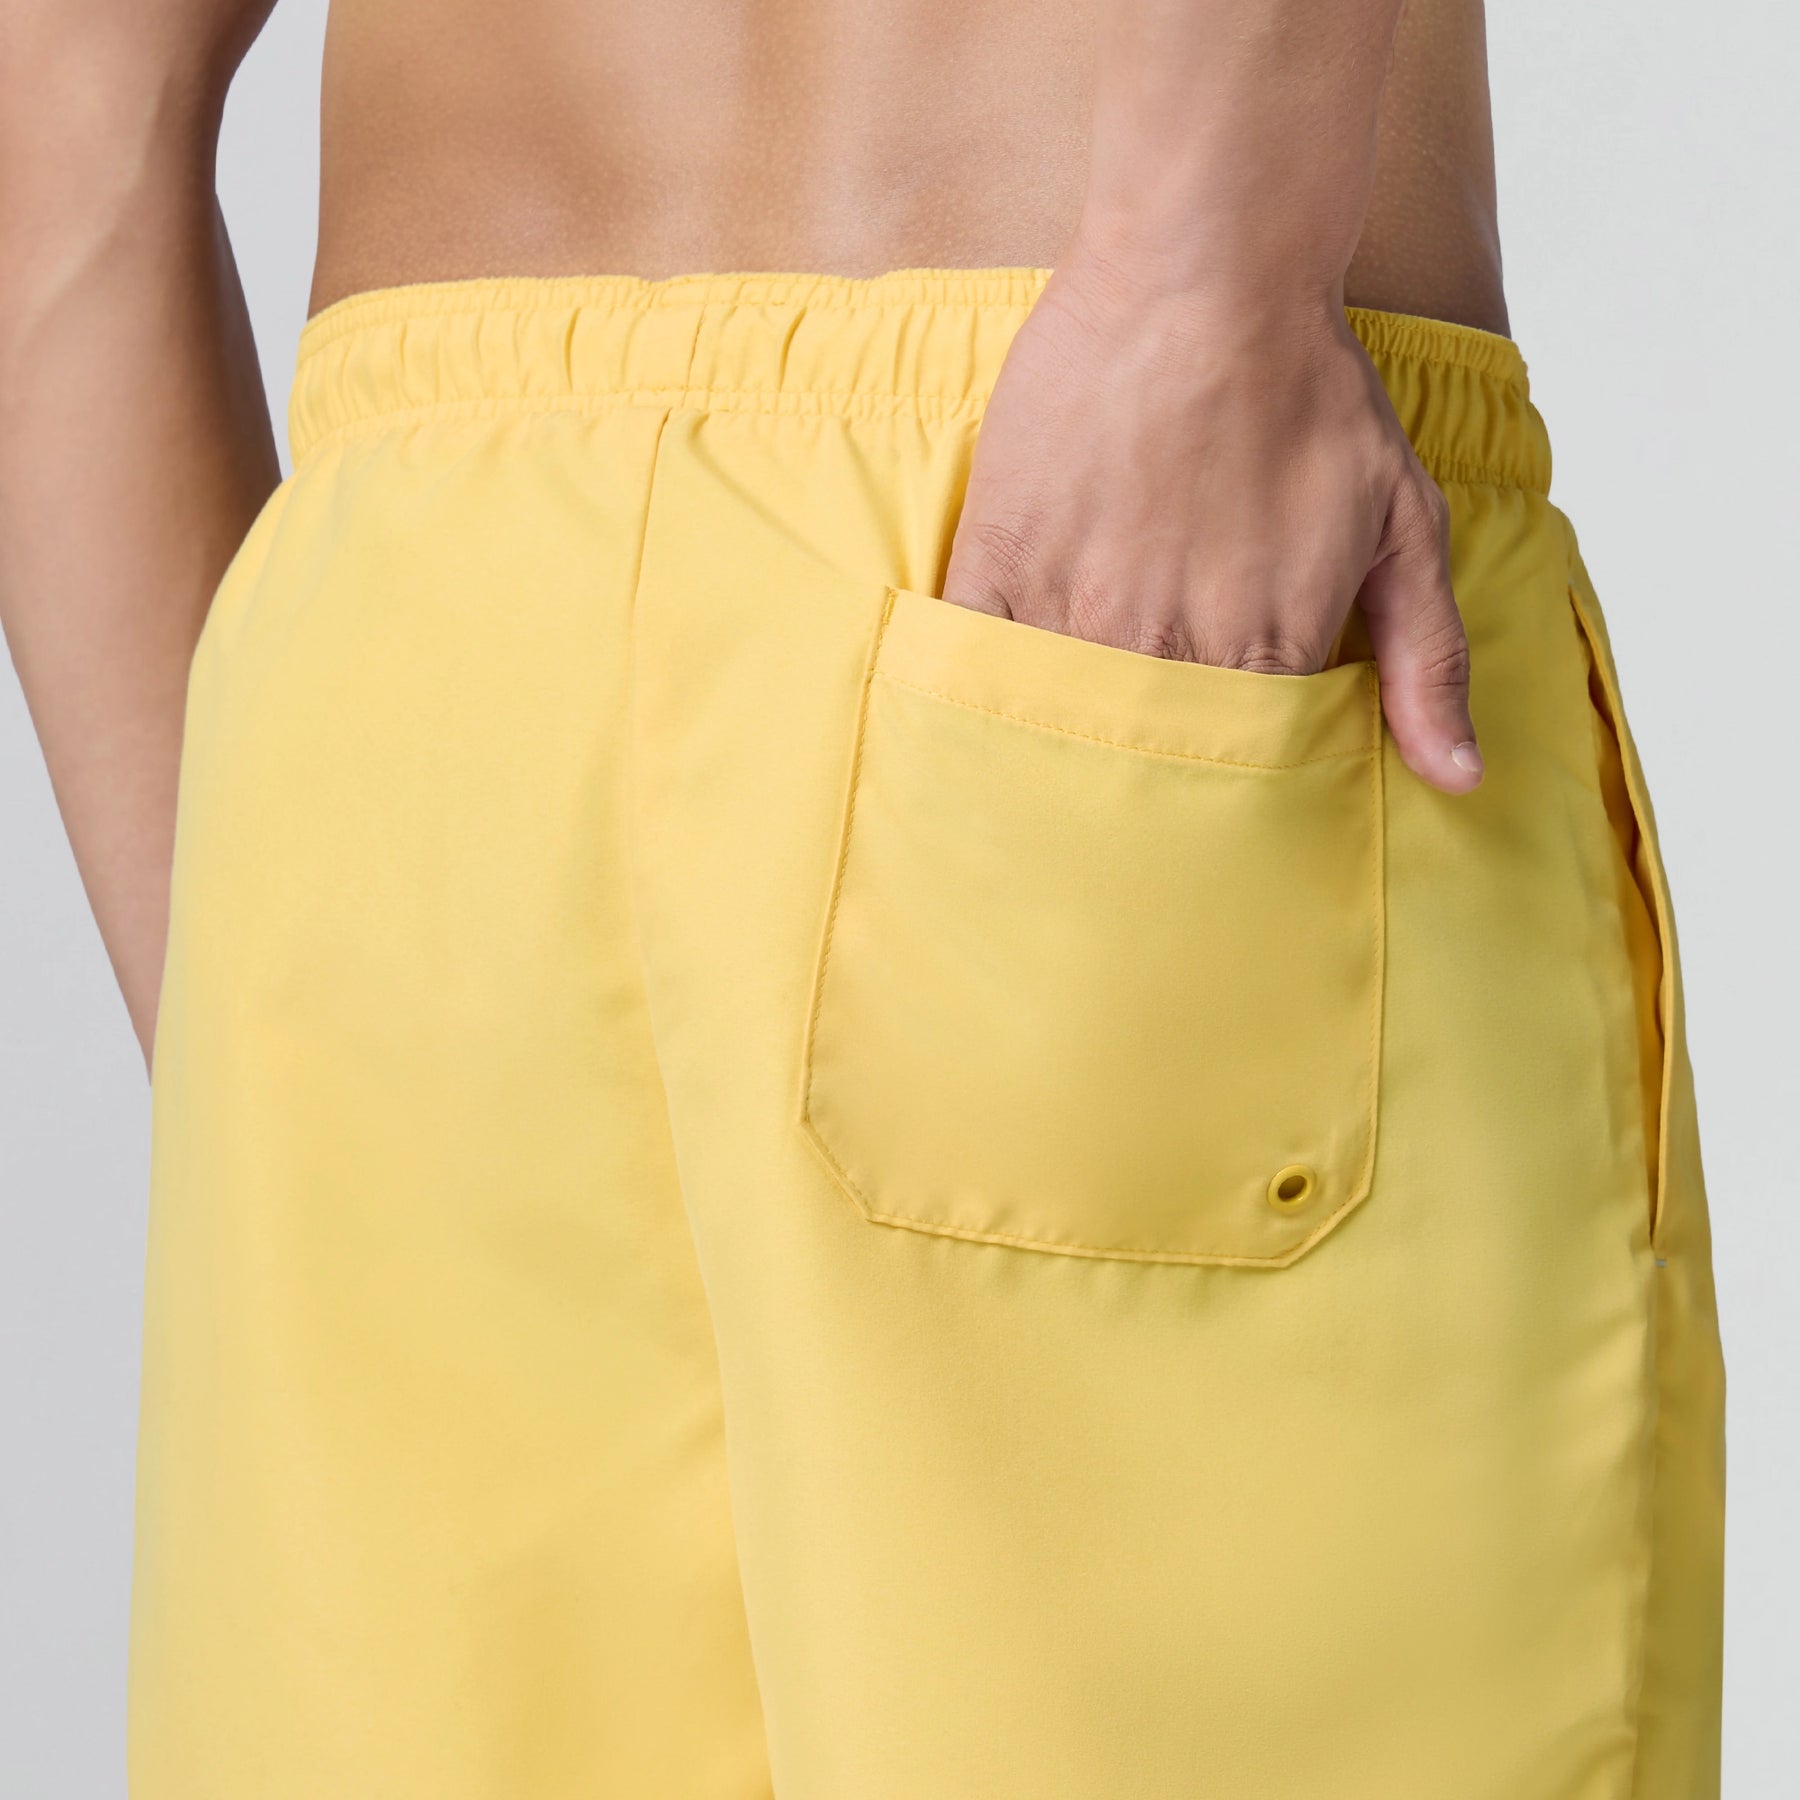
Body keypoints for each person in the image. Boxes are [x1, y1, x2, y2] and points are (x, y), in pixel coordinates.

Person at [0, 1, 1725, 1794]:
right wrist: (1200, 281)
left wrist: (264, 1043)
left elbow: (63, 119)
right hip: (1062, 503)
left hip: (409, 674)